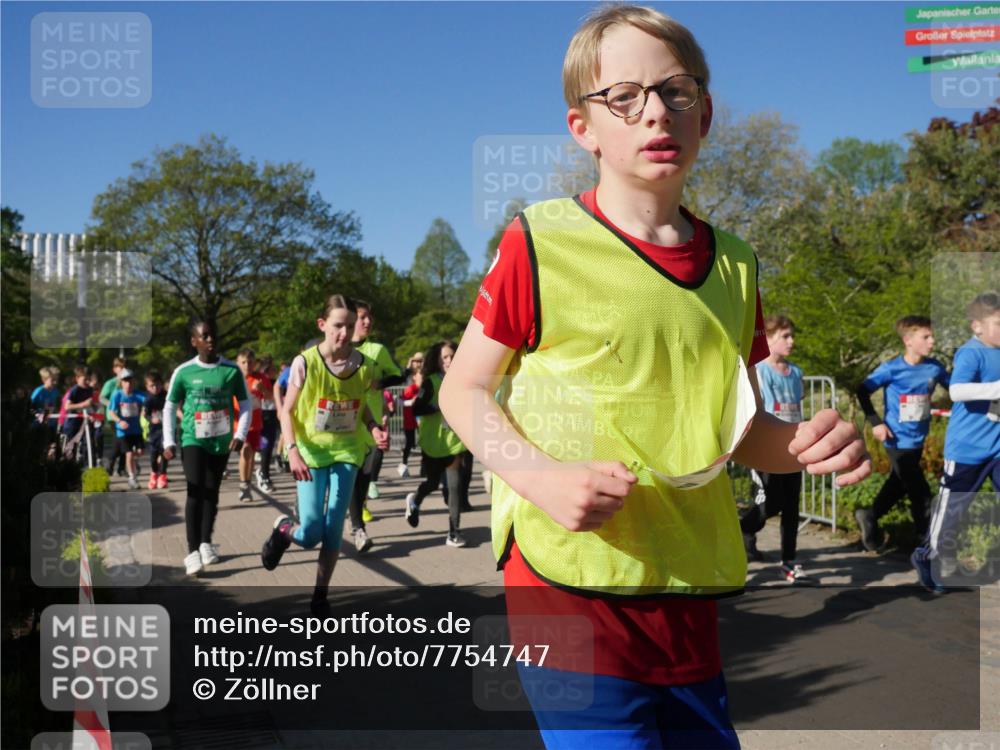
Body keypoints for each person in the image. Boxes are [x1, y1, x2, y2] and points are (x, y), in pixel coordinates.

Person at [438, 6, 871, 748]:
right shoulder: (539, 239)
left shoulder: (737, 263)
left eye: (675, 91)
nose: (654, 113)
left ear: (705, 112)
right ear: (584, 128)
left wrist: (803, 444)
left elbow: (734, 433)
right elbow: (463, 390)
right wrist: (540, 478)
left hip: (683, 582)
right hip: (563, 579)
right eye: (624, 97)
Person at [260, 295, 389, 614]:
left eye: (349, 325)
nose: (344, 333)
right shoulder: (305, 363)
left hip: (347, 451)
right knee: (310, 533)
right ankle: (283, 530)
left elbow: (363, 411)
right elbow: (286, 411)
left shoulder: (364, 365)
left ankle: (320, 595)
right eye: (337, 326)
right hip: (310, 452)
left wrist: (374, 428)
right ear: (322, 325)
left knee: (333, 529)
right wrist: (292, 451)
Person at [912, 292, 1000, 593]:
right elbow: (957, 392)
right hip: (967, 450)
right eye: (999, 323)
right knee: (952, 512)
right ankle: (928, 557)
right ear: (977, 326)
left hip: (998, 448)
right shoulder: (971, 352)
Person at [163, 319, 251, 576]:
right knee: (194, 490)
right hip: (193, 438)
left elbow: (245, 405)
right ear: (195, 341)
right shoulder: (184, 372)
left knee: (212, 491)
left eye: (214, 335)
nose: (211, 340)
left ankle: (205, 543)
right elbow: (170, 406)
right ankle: (192, 552)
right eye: (205, 336)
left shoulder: (232, 370)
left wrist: (240, 433)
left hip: (221, 440)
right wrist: (168, 440)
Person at [855, 315, 950, 551]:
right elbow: (862, 391)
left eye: (932, 336)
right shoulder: (891, 369)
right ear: (908, 340)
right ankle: (925, 543)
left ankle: (869, 515)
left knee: (899, 484)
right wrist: (876, 422)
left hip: (918, 439)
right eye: (925, 336)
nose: (932, 341)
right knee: (921, 493)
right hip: (895, 438)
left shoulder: (935, 368)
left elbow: (956, 389)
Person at [738, 315, 813, 582]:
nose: (791, 341)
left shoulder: (796, 373)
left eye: (792, 335)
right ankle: (740, 530)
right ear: (768, 339)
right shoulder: (760, 371)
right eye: (785, 336)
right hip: (767, 449)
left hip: (794, 448)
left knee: (791, 507)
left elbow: (796, 403)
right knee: (769, 505)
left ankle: (789, 561)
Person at [348, 300, 403, 552]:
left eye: (369, 317)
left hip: (370, 425)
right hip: (345, 426)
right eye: (362, 317)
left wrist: (379, 384)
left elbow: (399, 374)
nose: (367, 322)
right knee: (349, 478)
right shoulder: (340, 348)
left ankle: (357, 525)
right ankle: (355, 525)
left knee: (361, 480)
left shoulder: (377, 350)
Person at [404, 341, 472, 547]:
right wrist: (436, 407)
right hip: (433, 442)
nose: (450, 360)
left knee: (454, 487)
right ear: (438, 360)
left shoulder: (464, 380)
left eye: (452, 356)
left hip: (454, 442)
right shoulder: (431, 382)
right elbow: (416, 409)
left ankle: (454, 532)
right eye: (445, 357)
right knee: (432, 484)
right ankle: (414, 500)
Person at [235, 348, 266, 503]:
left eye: (250, 362)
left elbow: (270, 396)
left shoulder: (260, 378)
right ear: (238, 363)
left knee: (252, 453)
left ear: (255, 363)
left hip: (256, 422)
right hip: (238, 422)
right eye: (244, 362)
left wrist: (263, 390)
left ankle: (247, 483)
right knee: (245, 450)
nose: (247, 365)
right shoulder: (235, 378)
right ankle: (243, 485)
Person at [108, 369, 146, 490]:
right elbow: (111, 413)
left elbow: (149, 402)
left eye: (130, 380)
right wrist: (120, 421)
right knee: (129, 454)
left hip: (136, 430)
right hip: (123, 431)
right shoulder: (117, 395)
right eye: (125, 381)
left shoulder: (138, 394)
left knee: (139, 453)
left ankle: (132, 465)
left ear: (133, 381)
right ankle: (132, 478)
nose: (128, 383)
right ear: (121, 382)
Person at [100, 357, 128, 476]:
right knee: (119, 441)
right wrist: (112, 405)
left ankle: (121, 468)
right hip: (113, 417)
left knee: (124, 441)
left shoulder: (126, 382)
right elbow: (101, 397)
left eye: (124, 367)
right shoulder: (110, 383)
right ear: (114, 369)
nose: (122, 370)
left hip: (125, 415)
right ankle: (109, 465)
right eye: (120, 368)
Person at [61, 366, 95, 464]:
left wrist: (91, 413)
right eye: (85, 379)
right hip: (72, 423)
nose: (87, 382)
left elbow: (89, 406)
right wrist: (83, 404)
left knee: (86, 445)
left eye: (89, 379)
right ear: (77, 378)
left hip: (84, 422)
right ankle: (67, 465)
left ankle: (83, 464)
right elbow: (67, 406)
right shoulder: (74, 390)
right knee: (70, 447)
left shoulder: (89, 390)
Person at [397, 353, 424, 476]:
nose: (418, 363)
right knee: (410, 442)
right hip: (409, 413)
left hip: (423, 413)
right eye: (415, 361)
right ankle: (403, 464)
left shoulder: (426, 375)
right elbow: (399, 399)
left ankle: (425, 467)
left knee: (425, 440)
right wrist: (410, 401)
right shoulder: (407, 377)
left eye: (420, 361)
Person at [255, 356, 279, 493]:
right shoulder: (256, 380)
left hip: (271, 414)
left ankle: (264, 473)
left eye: (274, 368)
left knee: (268, 446)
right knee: (262, 446)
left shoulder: (275, 382)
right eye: (271, 369)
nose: (274, 371)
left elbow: (273, 397)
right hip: (259, 413)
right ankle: (262, 473)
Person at [143, 370, 169, 489]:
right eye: (152, 386)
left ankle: (163, 475)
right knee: (153, 455)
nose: (155, 388)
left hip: (166, 429)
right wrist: (151, 419)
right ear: (147, 387)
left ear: (161, 384)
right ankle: (154, 473)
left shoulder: (167, 395)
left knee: (165, 453)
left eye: (157, 385)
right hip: (154, 431)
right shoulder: (148, 399)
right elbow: (145, 414)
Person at [31, 366, 62, 451]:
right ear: (44, 380)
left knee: (51, 445)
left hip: (51, 423)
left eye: (56, 380)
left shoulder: (56, 391)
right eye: (52, 380)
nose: (55, 382)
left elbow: (56, 406)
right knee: (38, 445)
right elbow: (30, 406)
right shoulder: (39, 391)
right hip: (38, 424)